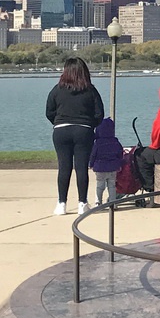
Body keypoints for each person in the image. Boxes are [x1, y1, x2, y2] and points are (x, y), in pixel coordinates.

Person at [45, 57, 105, 216]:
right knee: (81, 167)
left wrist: (58, 122)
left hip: (61, 130)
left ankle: (61, 204)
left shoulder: (57, 89)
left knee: (64, 167)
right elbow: (99, 113)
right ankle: (82, 203)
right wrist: (90, 125)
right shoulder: (90, 90)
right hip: (83, 130)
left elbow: (49, 111)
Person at [89, 116, 124, 206]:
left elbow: (93, 155)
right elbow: (120, 153)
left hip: (100, 167)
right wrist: (119, 164)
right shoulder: (115, 141)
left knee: (100, 185)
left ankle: (98, 202)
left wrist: (91, 164)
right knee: (112, 186)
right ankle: (113, 203)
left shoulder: (97, 143)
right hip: (113, 167)